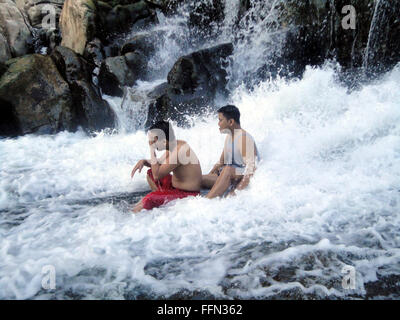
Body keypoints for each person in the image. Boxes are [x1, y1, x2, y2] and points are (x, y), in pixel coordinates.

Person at [131, 121, 202, 212]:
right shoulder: (174, 144)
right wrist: (144, 161)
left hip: (188, 194)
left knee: (148, 199)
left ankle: (152, 204)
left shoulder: (180, 151)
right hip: (175, 187)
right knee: (150, 173)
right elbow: (159, 162)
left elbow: (157, 176)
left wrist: (152, 149)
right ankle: (160, 199)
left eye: (152, 140)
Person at [202, 105, 259, 198]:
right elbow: (221, 162)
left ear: (231, 122)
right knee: (199, 179)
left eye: (220, 120)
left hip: (239, 177)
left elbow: (252, 169)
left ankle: (206, 201)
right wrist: (210, 175)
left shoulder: (244, 139)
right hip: (227, 176)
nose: (218, 124)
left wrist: (237, 191)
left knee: (227, 169)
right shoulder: (229, 136)